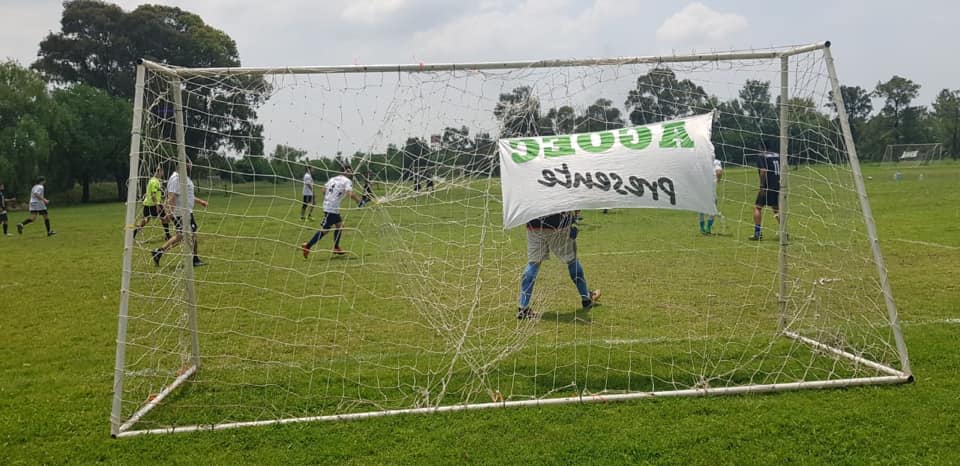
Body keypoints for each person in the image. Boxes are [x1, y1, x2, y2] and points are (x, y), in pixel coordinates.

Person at [517, 211, 600, 320]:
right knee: (572, 260)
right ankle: (586, 298)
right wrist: (573, 221)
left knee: (533, 263)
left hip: (534, 223)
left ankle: (523, 308)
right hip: (558, 223)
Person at [152, 161, 209, 267]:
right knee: (191, 235)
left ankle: (159, 252)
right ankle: (194, 259)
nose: (191, 166)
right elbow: (171, 197)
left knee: (181, 237)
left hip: (186, 212)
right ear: (183, 165)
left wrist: (201, 202)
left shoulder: (185, 178)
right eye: (189, 165)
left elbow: (188, 196)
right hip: (181, 213)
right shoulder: (176, 178)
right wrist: (169, 213)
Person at [301, 167, 361, 257]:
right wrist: (358, 201)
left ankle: (336, 247)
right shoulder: (347, 181)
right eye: (350, 171)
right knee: (325, 230)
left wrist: (331, 197)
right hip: (331, 208)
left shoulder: (333, 179)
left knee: (339, 225)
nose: (351, 173)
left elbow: (323, 190)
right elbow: (350, 193)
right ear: (347, 172)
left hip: (330, 205)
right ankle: (308, 245)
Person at [750, 144, 781, 241]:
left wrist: (762, 186)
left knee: (757, 207)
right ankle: (784, 231)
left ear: (761, 147)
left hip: (767, 186)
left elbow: (763, 171)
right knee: (776, 208)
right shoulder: (777, 155)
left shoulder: (761, 156)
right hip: (778, 184)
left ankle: (757, 233)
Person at [133, 165, 171, 241]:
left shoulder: (152, 180)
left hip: (147, 204)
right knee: (165, 218)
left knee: (146, 220)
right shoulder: (155, 182)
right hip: (154, 204)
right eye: (162, 171)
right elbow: (153, 195)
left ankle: (133, 234)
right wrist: (157, 205)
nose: (163, 173)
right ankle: (168, 236)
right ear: (158, 171)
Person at [699, 157, 724, 235]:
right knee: (713, 208)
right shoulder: (716, 161)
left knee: (701, 207)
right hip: (711, 188)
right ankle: (708, 227)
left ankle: (702, 227)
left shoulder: (700, 160)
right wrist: (718, 180)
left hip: (701, 187)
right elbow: (719, 172)